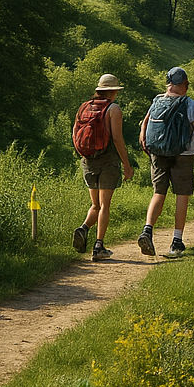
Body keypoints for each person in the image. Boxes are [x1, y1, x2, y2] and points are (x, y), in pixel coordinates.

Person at [137, 67, 194, 258]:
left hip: (158, 152)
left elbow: (144, 124)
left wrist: (145, 143)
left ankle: (147, 230)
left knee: (158, 192)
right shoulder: (192, 106)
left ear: (169, 83)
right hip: (184, 154)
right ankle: (176, 242)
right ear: (185, 84)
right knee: (182, 195)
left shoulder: (156, 101)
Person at [72, 74, 134, 262]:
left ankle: (83, 228)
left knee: (95, 205)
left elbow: (75, 133)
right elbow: (117, 138)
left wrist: (85, 154)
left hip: (88, 160)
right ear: (113, 91)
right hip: (108, 161)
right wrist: (126, 164)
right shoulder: (113, 109)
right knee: (105, 205)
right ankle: (99, 246)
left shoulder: (84, 107)